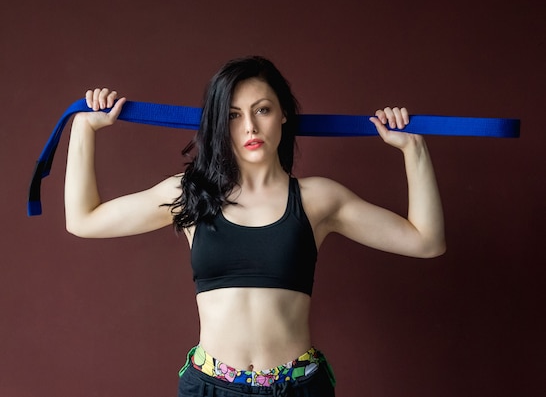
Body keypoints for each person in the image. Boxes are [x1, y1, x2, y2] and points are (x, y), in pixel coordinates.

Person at [64, 56, 445, 397]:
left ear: (282, 114)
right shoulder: (191, 195)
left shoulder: (318, 200)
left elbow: (426, 241)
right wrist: (84, 129)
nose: (249, 127)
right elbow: (83, 219)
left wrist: (414, 151)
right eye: (233, 114)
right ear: (218, 122)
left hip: (297, 388)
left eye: (261, 110)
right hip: (208, 388)